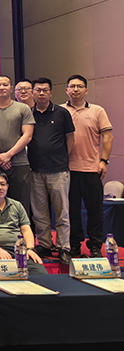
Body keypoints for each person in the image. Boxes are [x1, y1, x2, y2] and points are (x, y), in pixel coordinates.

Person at [63, 74, 113, 258]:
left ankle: (95, 245)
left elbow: (108, 137)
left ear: (86, 90)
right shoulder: (60, 111)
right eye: (72, 86)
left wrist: (104, 161)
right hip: (67, 170)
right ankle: (74, 244)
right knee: (71, 211)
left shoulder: (97, 111)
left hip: (92, 169)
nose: (75, 89)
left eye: (79, 86)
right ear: (66, 90)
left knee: (95, 211)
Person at [28, 77, 75, 264]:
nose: (41, 93)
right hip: (35, 170)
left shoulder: (62, 113)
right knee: (39, 212)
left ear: (51, 92)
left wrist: (61, 158)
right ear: (33, 92)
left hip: (58, 169)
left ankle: (64, 247)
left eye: (45, 90)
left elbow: (70, 139)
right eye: (38, 90)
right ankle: (45, 244)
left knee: (62, 211)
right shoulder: (28, 113)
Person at [0, 171, 47, 274]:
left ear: (7, 187)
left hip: (19, 249)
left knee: (41, 274)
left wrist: (30, 249)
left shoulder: (16, 205)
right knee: (5, 275)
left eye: (3, 184)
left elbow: (26, 230)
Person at [0, 75, 35, 214]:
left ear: (11, 88)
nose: (1, 88)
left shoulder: (23, 108)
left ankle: (22, 228)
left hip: (19, 163)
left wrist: (8, 155)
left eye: (5, 85)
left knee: (20, 204)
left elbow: (27, 135)